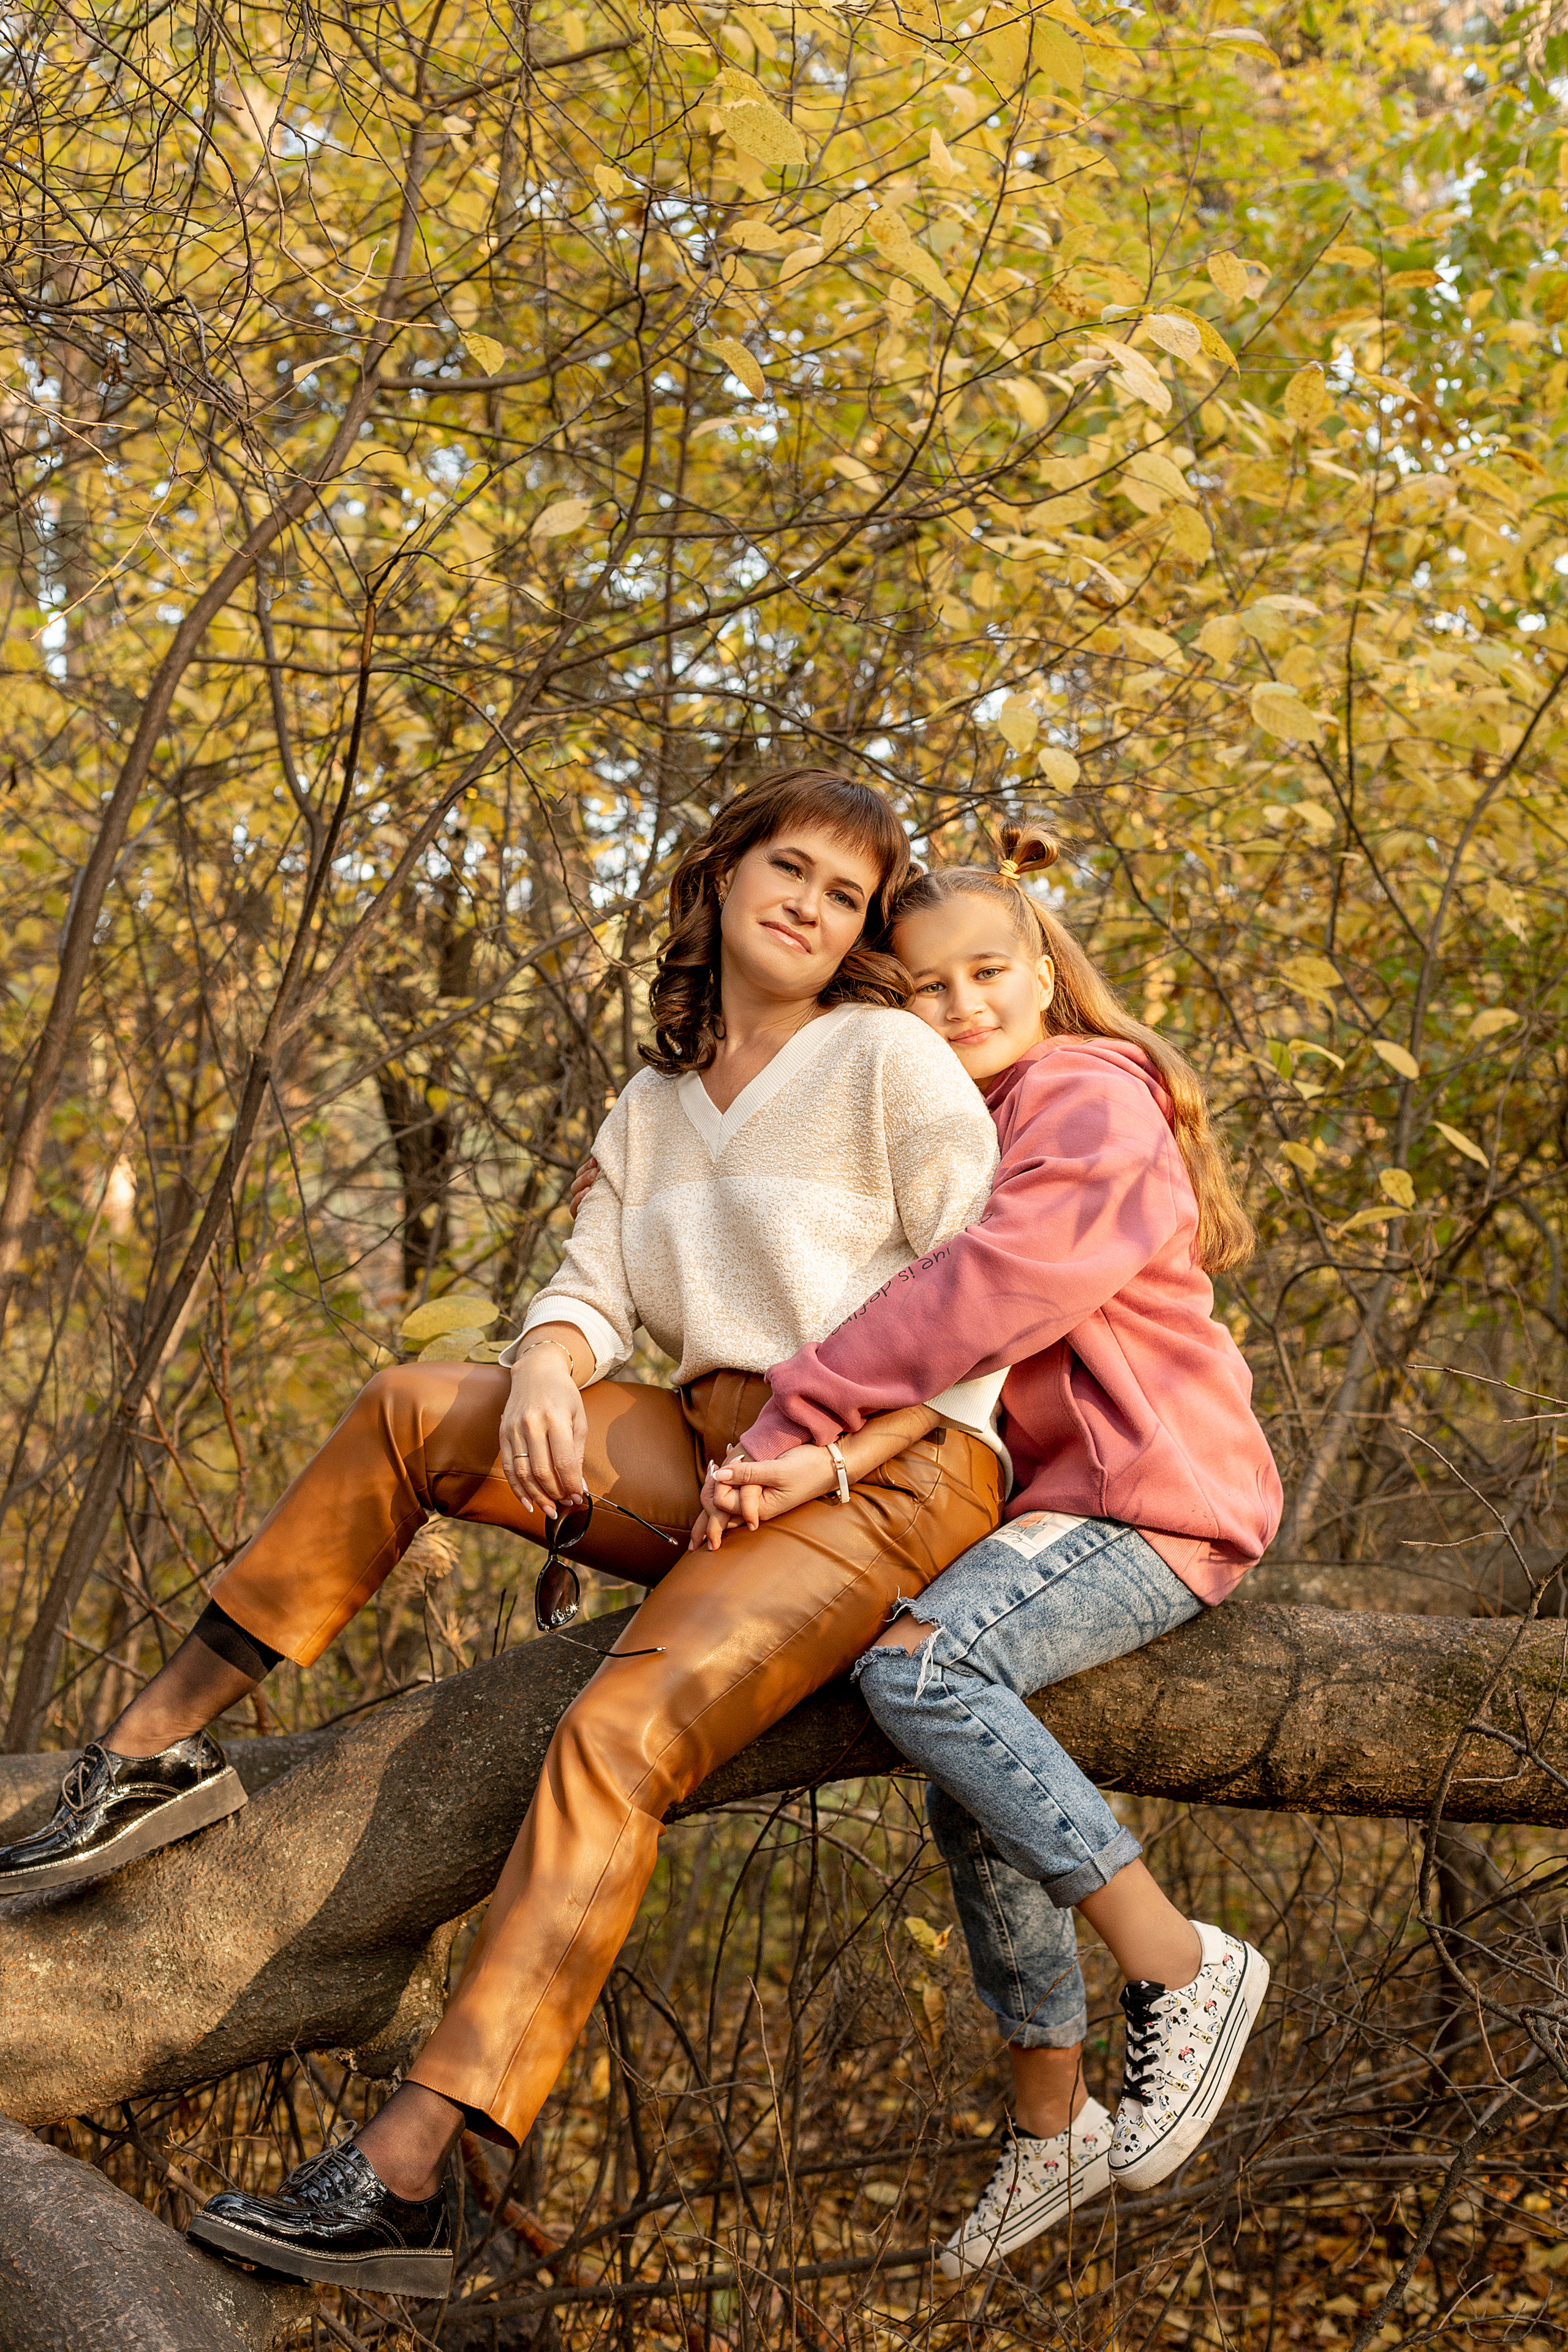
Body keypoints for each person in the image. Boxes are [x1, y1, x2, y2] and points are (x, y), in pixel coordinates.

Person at [0, 768, 1011, 2299]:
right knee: (417, 1406)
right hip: (712, 1444)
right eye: (788, 868)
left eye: (846, 895)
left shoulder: (886, 1058)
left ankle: (417, 2170)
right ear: (722, 873)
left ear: (862, 929)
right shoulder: (655, 1102)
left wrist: (829, 1458)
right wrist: (544, 1361)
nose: (810, 905)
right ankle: (146, 1758)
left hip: (888, 1466)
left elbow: (984, 1295)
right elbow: (592, 1286)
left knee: (615, 1733)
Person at [690, 826, 1282, 2278]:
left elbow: (992, 1289)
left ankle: (1180, 1962)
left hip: (1151, 1497)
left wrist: (800, 1409)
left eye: (987, 974)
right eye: (924, 987)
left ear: (1045, 975)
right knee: (971, 1790)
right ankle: (1050, 2122)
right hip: (1059, 1509)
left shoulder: (1085, 1093)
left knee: (922, 1672)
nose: (960, 1006)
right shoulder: (963, 1117)